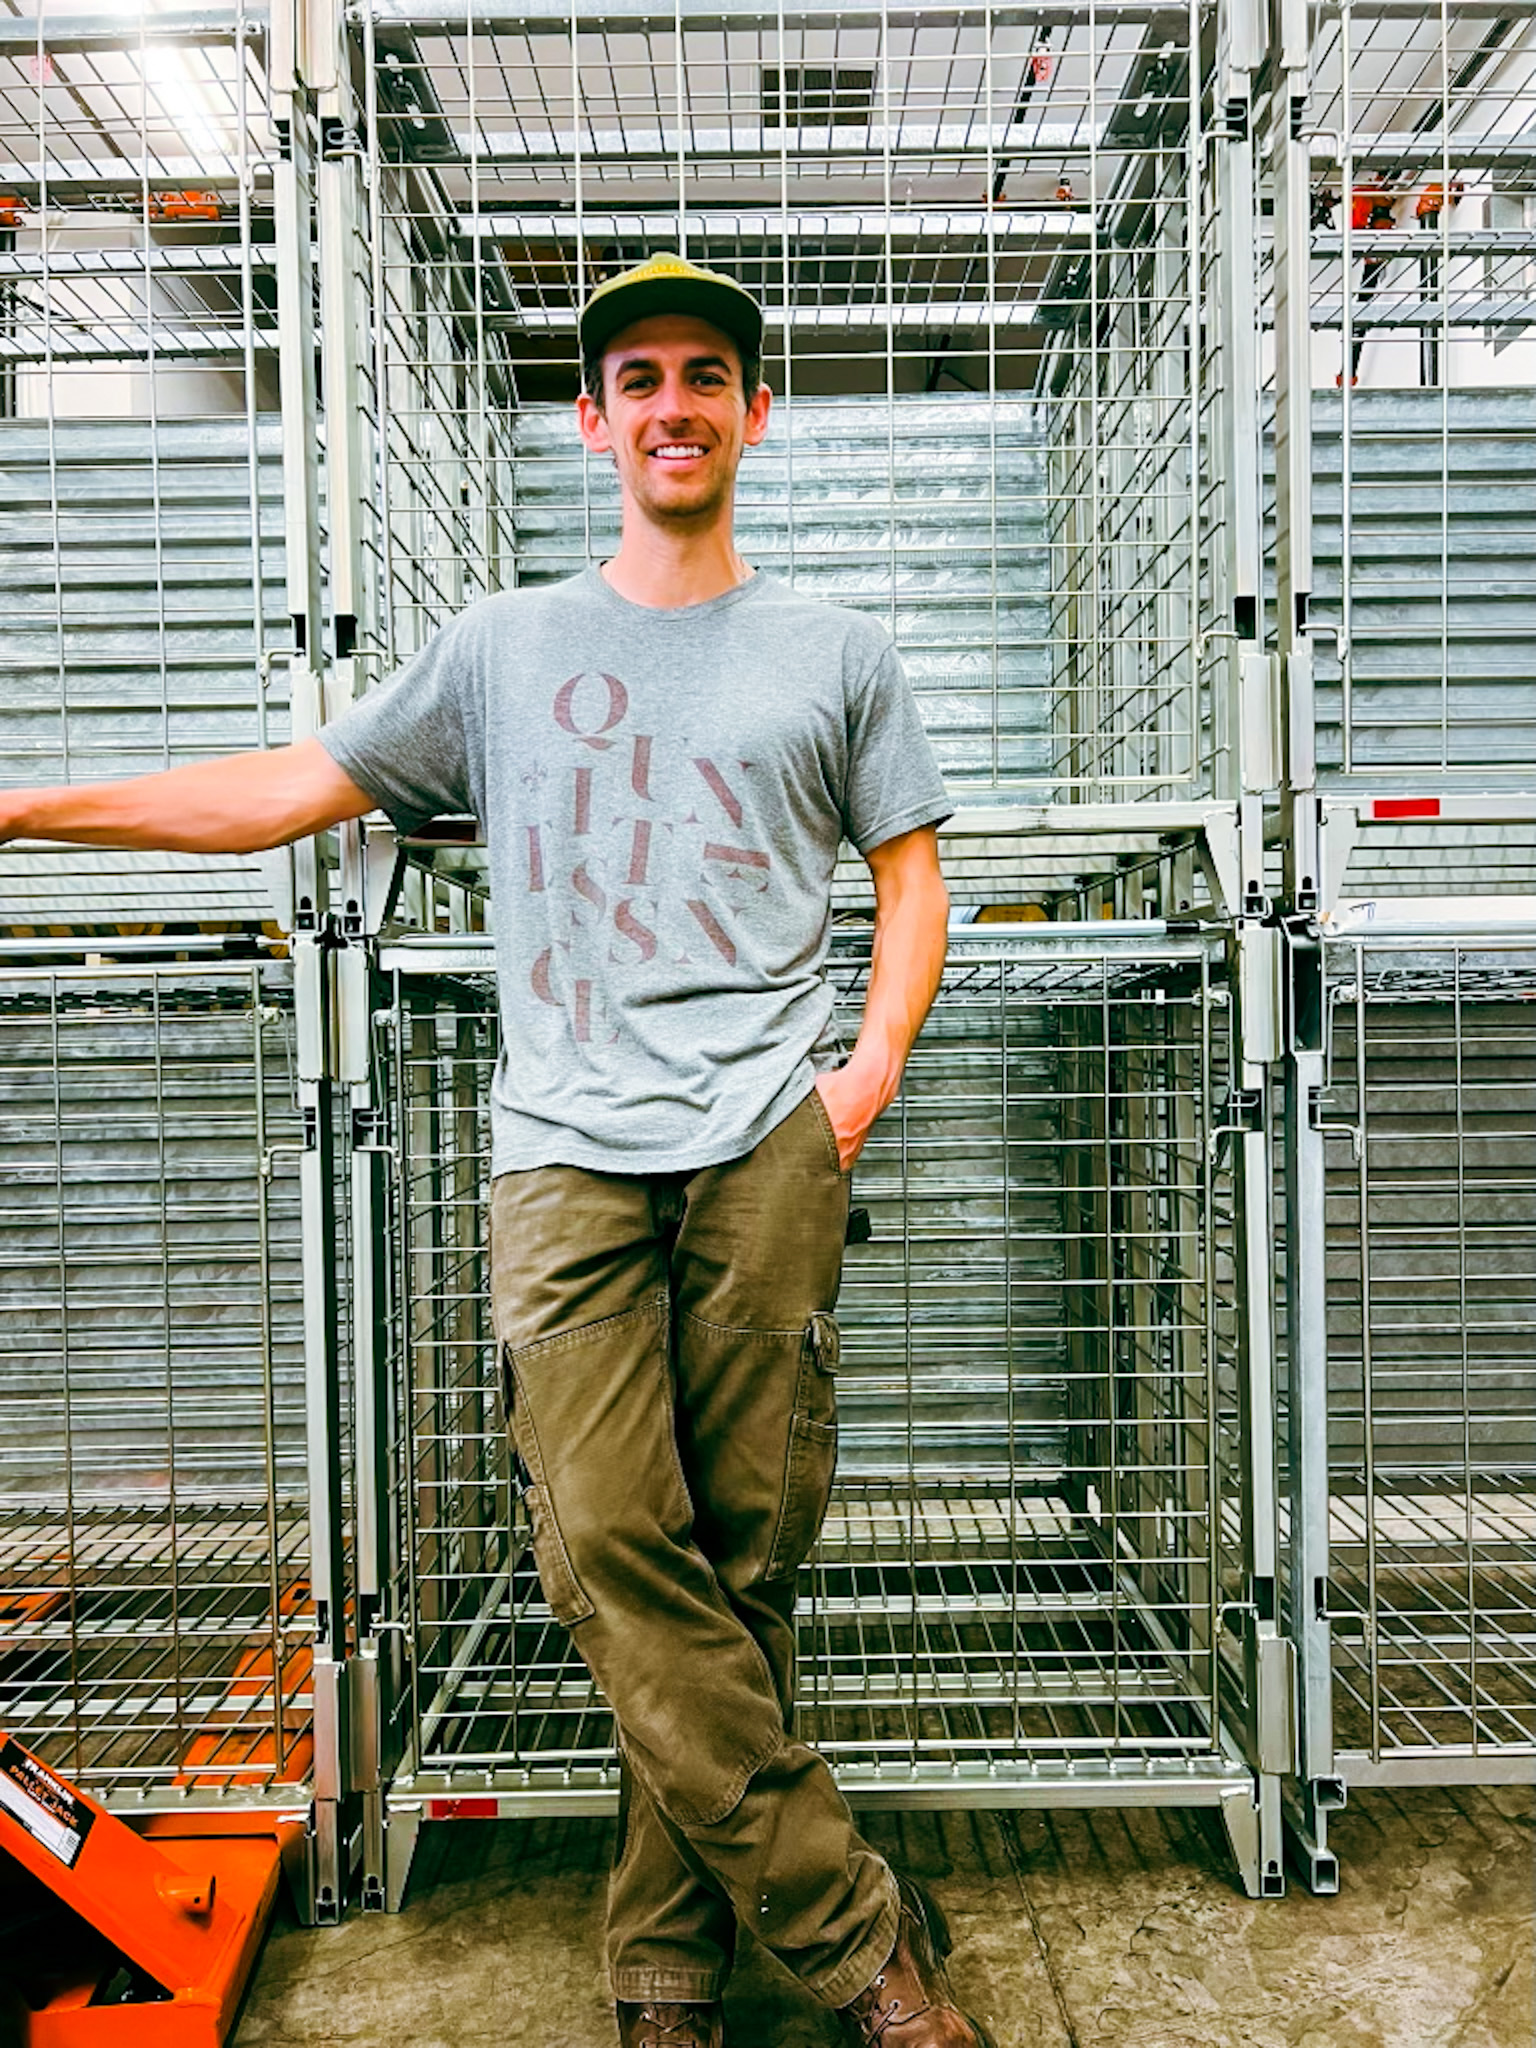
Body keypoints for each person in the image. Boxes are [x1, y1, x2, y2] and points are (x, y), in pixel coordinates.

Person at [2, 252, 994, 2048]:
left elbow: (913, 886)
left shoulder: (842, 653)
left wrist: (858, 1085)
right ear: (596, 418)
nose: (675, 402)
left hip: (768, 1137)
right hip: (565, 1149)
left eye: (709, 371)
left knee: (739, 1565)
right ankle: (857, 1939)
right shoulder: (499, 647)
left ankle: (664, 1972)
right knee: (612, 1537)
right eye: (640, 376)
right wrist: (17, 800)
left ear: (754, 412)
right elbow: (271, 794)